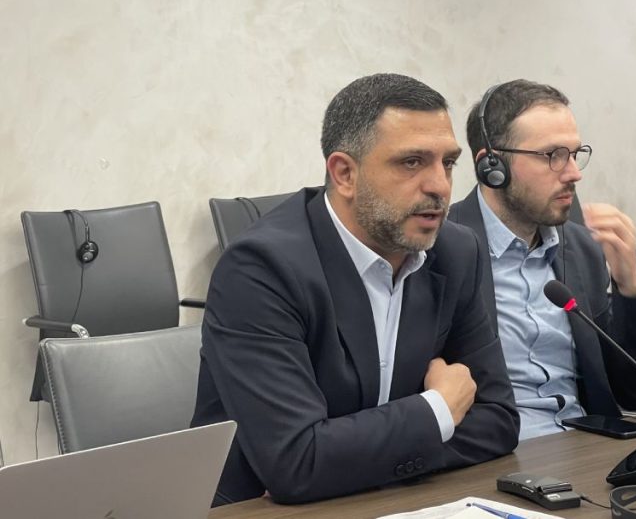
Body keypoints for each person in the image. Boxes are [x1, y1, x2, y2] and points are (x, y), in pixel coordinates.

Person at [192, 74, 519, 505]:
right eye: (412, 162)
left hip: (393, 502)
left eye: (448, 163)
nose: (440, 185)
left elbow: (498, 421)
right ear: (344, 173)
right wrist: (438, 409)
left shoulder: (455, 252)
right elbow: (296, 462)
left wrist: (352, 458)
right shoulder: (261, 270)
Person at [447, 79, 636, 440]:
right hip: (494, 454)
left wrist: (629, 286)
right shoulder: (441, 250)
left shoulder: (581, 248)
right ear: (491, 165)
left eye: (575, 154)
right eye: (552, 155)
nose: (574, 173)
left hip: (586, 445)